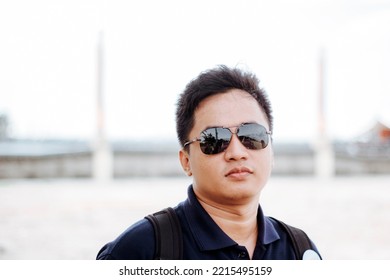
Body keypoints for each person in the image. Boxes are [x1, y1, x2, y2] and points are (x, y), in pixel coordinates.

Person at [96, 65, 321, 260]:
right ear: (186, 161)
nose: (236, 152)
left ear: (271, 151)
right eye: (214, 139)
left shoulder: (300, 251)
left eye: (252, 135)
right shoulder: (141, 251)